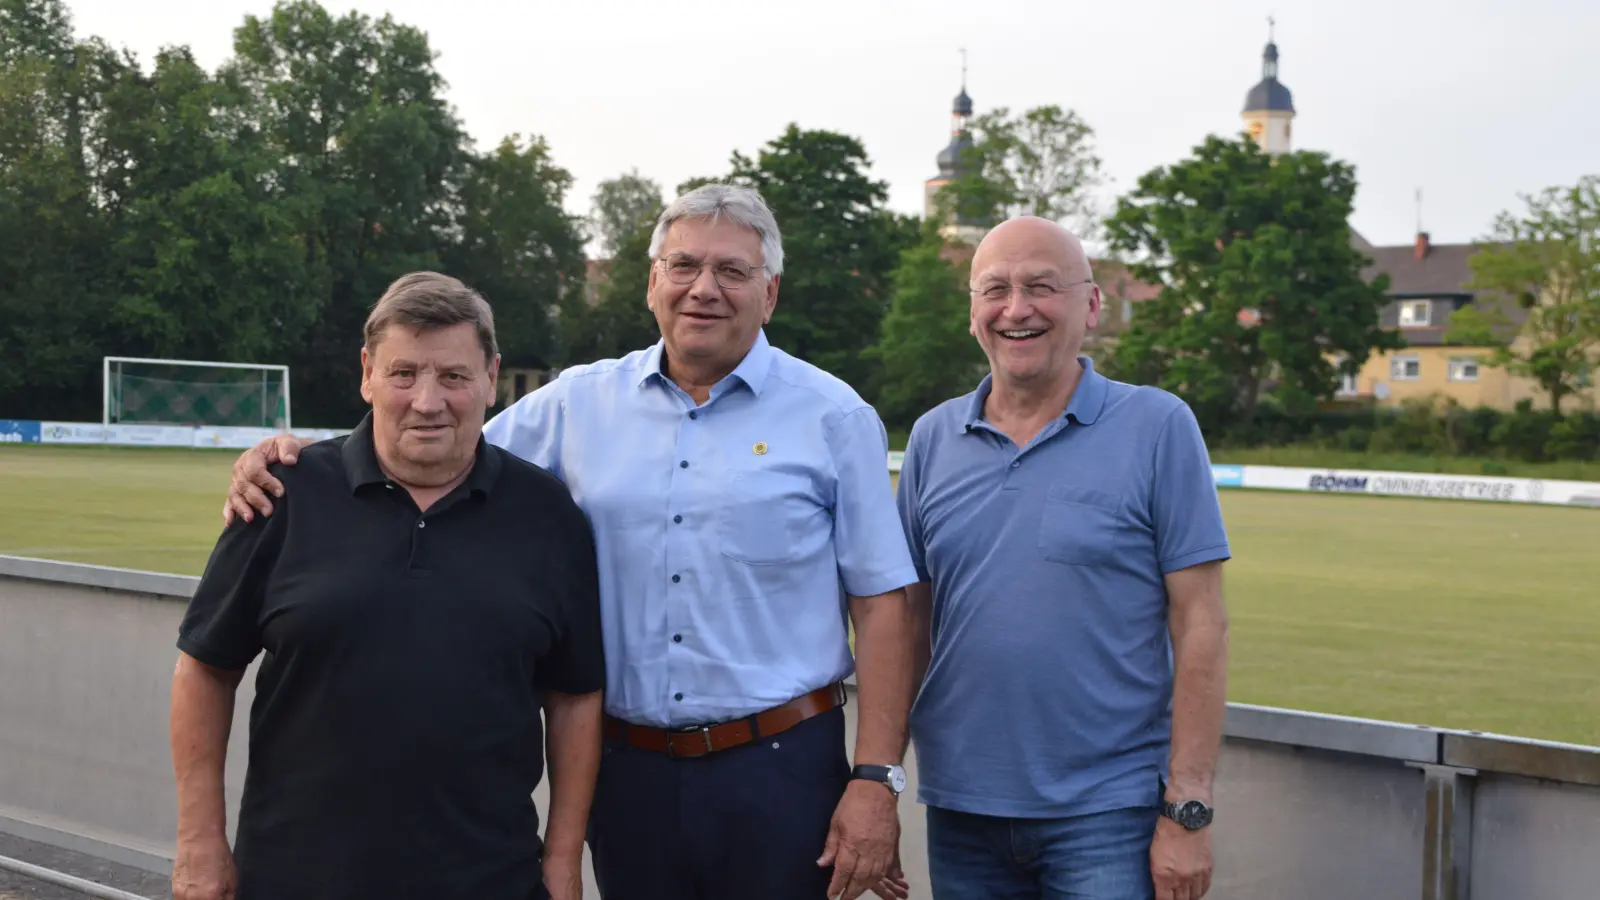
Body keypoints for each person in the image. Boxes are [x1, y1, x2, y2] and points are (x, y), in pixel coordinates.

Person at [220, 184, 920, 900]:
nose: (703, 289)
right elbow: (430, 439)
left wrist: (875, 779)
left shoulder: (835, 416)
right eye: (683, 266)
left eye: (732, 272)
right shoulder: (576, 404)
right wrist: (297, 461)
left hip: (781, 767)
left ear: (769, 293)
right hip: (628, 775)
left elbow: (884, 604)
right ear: (652, 283)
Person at [169, 273, 606, 900]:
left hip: (489, 881)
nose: (428, 401)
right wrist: (198, 842)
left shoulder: (549, 514)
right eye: (405, 374)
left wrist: (564, 863)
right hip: (294, 879)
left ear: (491, 377)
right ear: (368, 373)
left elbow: (574, 699)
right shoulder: (282, 496)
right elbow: (203, 671)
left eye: (453, 376)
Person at [892, 216, 1231, 900]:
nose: (1017, 309)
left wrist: (1187, 810)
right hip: (961, 808)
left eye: (1041, 287)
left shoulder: (1158, 426)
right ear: (973, 312)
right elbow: (905, 627)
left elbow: (1201, 624)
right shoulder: (933, 438)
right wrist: (879, 784)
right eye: (996, 289)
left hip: (1109, 815)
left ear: (1092, 305)